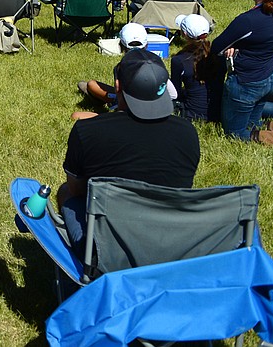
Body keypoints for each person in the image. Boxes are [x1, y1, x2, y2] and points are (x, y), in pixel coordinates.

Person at [57, 48, 200, 256]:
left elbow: (77, 190)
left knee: (65, 191)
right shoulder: (188, 132)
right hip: (169, 244)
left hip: (105, 250)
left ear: (117, 86)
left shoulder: (87, 130)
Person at [211, 0, 273, 141]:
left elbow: (216, 46)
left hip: (247, 83)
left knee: (235, 133)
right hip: (269, 77)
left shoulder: (248, 20)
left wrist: (235, 48)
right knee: (253, 122)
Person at [172, 13, 219, 123]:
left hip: (192, 113)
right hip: (217, 111)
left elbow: (175, 93)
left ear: (184, 34)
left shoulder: (179, 60)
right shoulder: (216, 53)